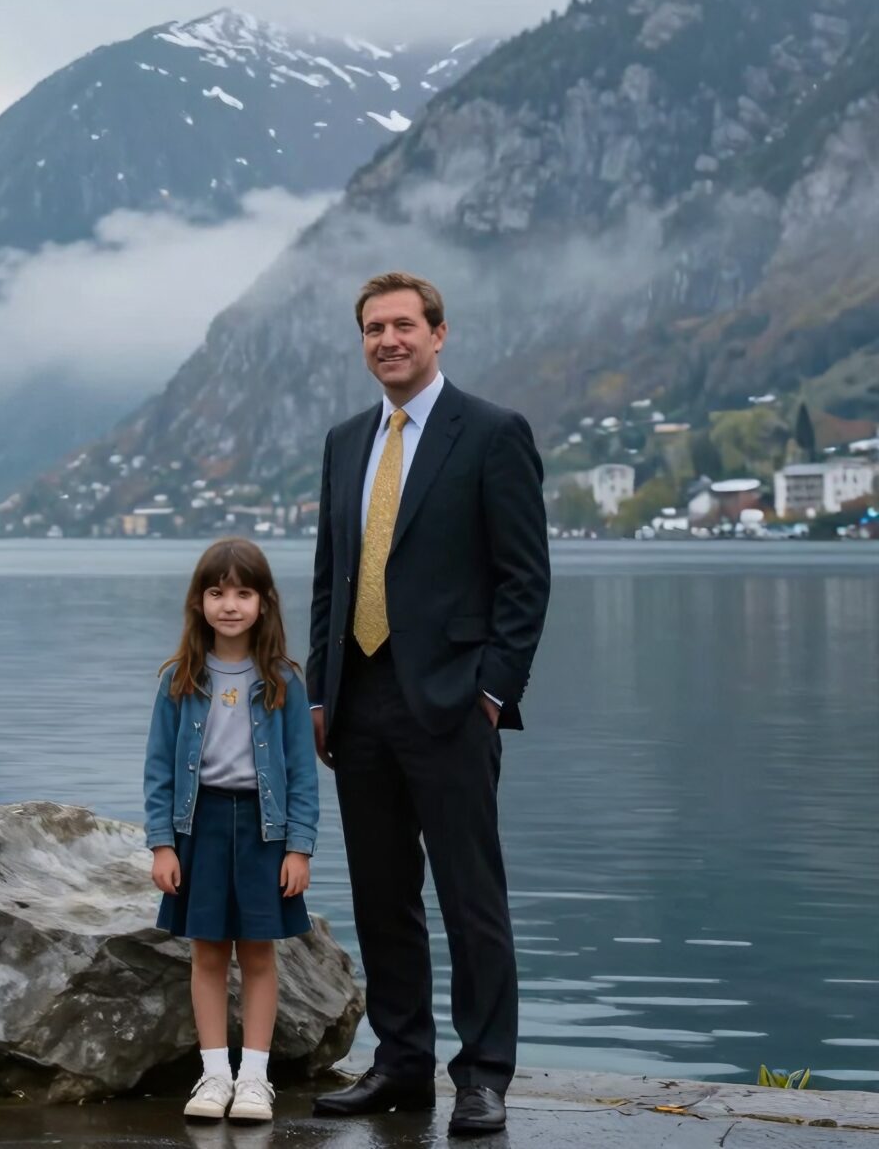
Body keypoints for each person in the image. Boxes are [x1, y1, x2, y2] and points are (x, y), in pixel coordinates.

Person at [308, 273, 549, 1137]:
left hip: (453, 704)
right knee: (382, 894)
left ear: (439, 333)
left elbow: (525, 579)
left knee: (470, 896)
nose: (388, 340)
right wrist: (319, 695)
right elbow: (332, 576)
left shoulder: (491, 433)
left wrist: (492, 691)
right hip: (358, 705)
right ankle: (402, 1062)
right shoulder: (344, 441)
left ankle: (484, 1074)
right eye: (373, 328)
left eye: (404, 325)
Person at [145, 536, 318, 1125]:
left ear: (264, 603)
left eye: (243, 593)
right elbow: (158, 769)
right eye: (217, 592)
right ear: (198, 602)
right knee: (208, 954)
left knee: (261, 955)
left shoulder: (284, 683)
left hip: (265, 833)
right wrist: (162, 843)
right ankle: (215, 1073)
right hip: (202, 827)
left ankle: (254, 1079)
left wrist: (299, 847)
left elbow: (301, 775)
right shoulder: (178, 679)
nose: (230, 604)